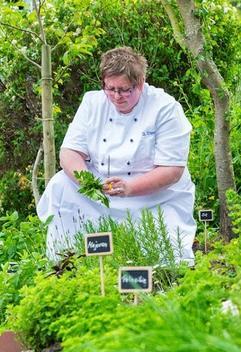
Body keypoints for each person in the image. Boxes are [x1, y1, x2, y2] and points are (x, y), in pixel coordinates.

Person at [37, 46, 196, 262]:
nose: (116, 96)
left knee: (164, 256)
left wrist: (130, 188)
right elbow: (69, 152)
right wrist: (90, 183)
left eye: (124, 90)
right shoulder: (93, 102)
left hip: (153, 196)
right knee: (61, 184)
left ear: (140, 83)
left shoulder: (165, 108)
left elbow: (172, 170)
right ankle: (67, 258)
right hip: (101, 190)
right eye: (109, 89)